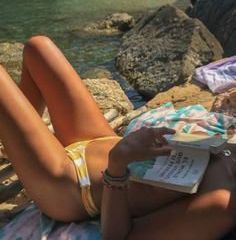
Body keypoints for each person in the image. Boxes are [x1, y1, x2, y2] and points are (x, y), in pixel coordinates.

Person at [0, 36, 236, 240]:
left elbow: (122, 236)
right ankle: (15, 141)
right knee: (38, 48)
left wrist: (118, 165)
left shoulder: (220, 204)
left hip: (71, 186)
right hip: (99, 140)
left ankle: (21, 144)